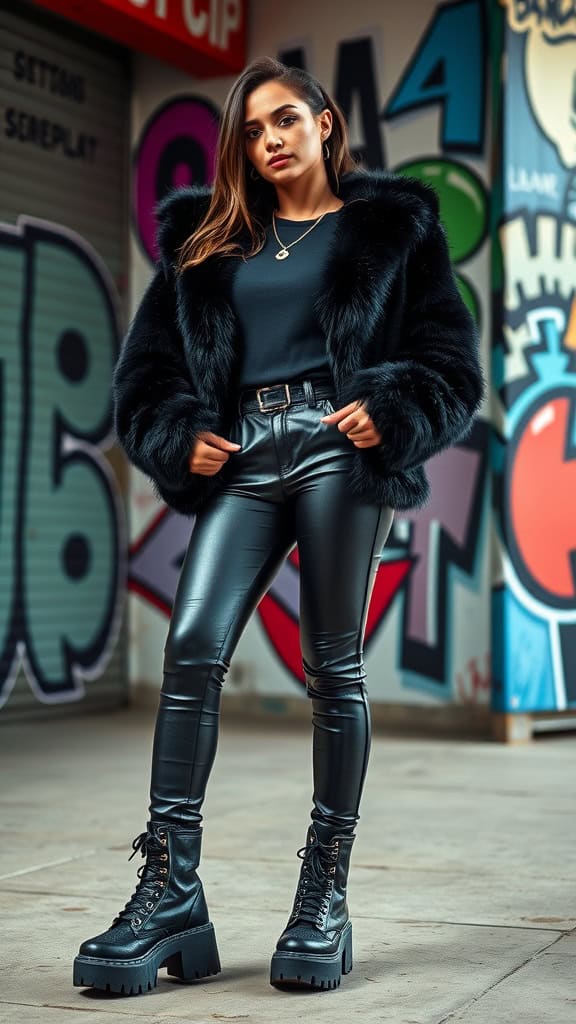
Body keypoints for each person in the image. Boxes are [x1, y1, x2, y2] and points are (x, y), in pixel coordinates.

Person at [73, 56, 485, 996]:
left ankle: (323, 894)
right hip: (246, 456)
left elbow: (448, 361)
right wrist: (181, 436)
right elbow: (145, 376)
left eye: (286, 120)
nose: (270, 141)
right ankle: (171, 892)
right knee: (191, 646)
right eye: (253, 131)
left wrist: (397, 409)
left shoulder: (392, 230)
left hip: (342, 446)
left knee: (331, 663)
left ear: (325, 123)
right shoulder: (207, 240)